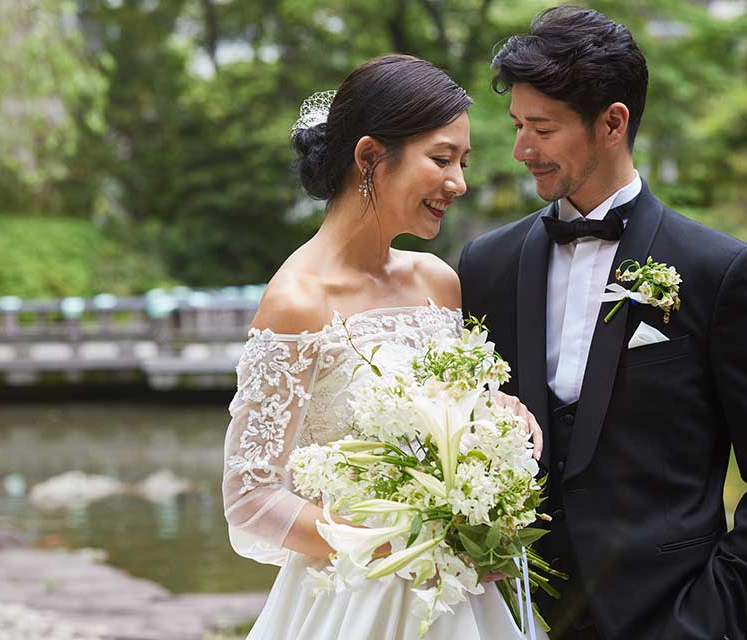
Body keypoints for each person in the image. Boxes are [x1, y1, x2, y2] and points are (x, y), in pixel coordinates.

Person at [458, 6, 747, 640]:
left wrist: (718, 615)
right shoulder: (486, 265)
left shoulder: (718, 269)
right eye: (518, 125)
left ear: (612, 123)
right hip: (516, 620)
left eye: (541, 128)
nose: (521, 150)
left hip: (673, 619)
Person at [222, 54, 543, 640]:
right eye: (442, 159)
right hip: (352, 602)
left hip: (463, 595)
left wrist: (498, 424)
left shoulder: (438, 282)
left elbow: (455, 418)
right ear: (370, 156)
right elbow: (251, 496)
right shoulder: (297, 301)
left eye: (463, 163)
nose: (459, 183)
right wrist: (383, 543)